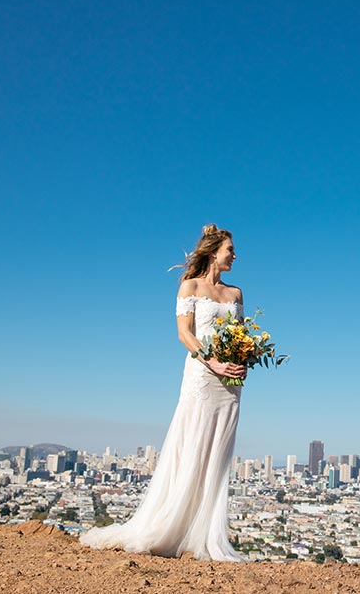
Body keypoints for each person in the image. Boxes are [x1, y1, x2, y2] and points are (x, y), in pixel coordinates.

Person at [80, 224, 247, 560]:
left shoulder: (236, 294)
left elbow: (240, 335)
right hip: (202, 376)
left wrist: (243, 360)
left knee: (218, 451)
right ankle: (174, 529)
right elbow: (184, 334)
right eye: (230, 249)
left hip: (230, 383)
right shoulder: (190, 287)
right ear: (214, 251)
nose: (235, 255)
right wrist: (212, 362)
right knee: (193, 443)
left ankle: (203, 536)